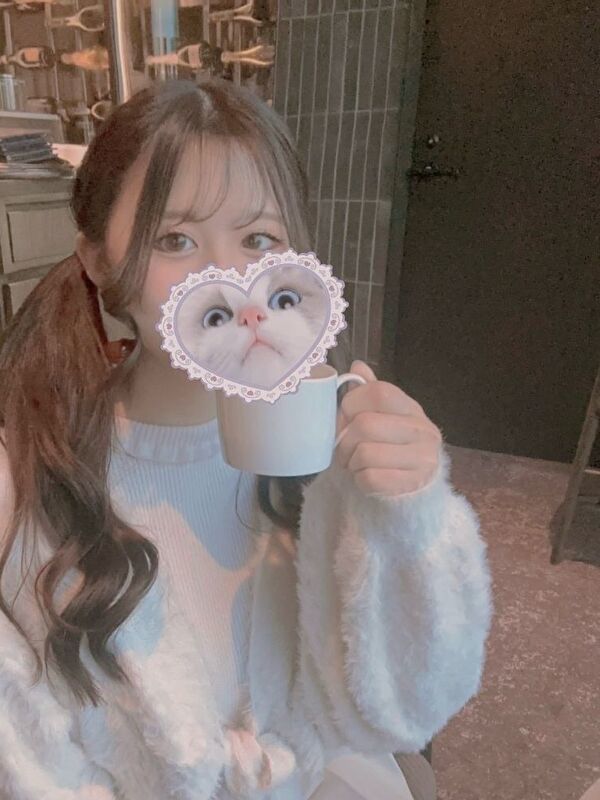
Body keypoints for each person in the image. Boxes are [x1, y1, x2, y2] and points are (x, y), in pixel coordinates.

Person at [0, 78, 492, 800]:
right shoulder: (29, 476)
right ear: (100, 261)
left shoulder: (334, 447)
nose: (231, 283)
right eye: (176, 240)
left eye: (259, 239)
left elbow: (402, 709)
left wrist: (410, 518)